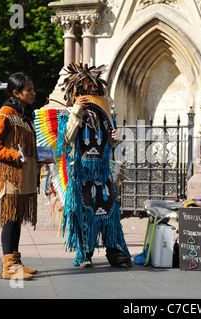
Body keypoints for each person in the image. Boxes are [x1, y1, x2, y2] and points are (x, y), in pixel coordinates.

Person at [57, 62, 131, 267]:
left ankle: (114, 251)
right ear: (78, 90)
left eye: (96, 87)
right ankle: (85, 253)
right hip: (81, 172)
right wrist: (77, 112)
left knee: (109, 208)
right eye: (89, 87)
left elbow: (109, 141)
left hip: (102, 171)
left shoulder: (103, 112)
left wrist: (116, 137)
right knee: (85, 210)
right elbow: (66, 138)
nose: (94, 90)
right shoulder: (69, 112)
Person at [0, 72, 38, 280]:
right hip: (10, 177)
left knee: (16, 220)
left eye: (33, 89)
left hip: (23, 177)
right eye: (29, 90)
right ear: (16, 93)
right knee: (10, 219)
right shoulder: (4, 114)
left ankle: (15, 262)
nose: (33, 93)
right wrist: (14, 156)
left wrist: (40, 157)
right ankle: (8, 268)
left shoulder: (24, 115)